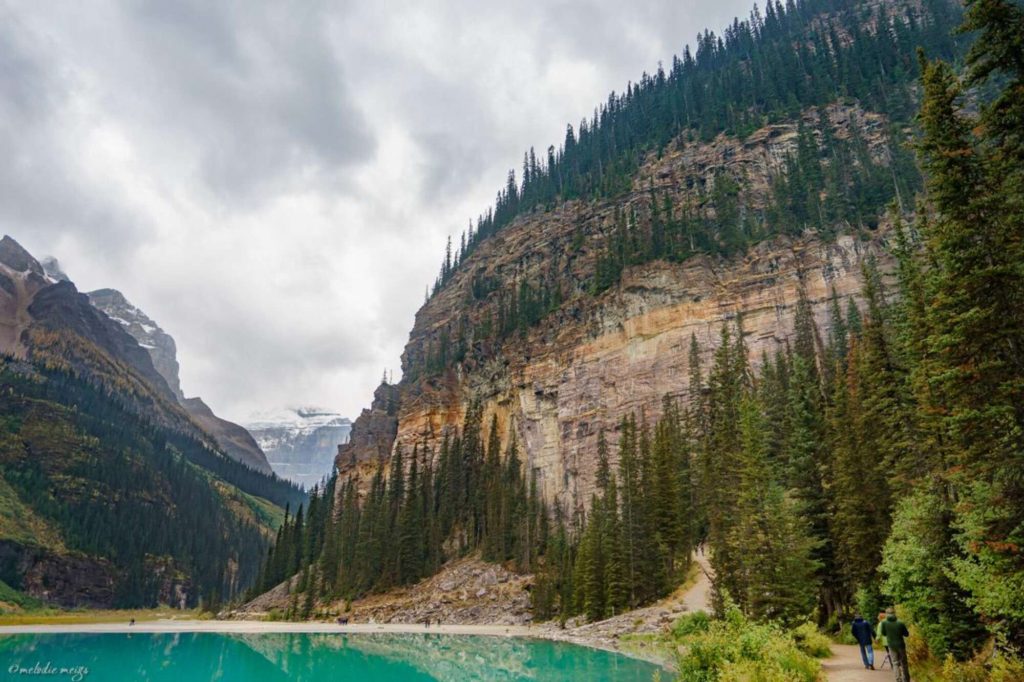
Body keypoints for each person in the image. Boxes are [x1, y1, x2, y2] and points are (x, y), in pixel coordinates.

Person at [879, 608, 911, 682]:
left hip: (891, 645)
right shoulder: (900, 622)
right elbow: (906, 634)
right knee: (904, 663)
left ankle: (898, 679)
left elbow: (883, 633)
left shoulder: (884, 623)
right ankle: (906, 679)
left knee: (895, 663)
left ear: (887, 614)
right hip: (901, 645)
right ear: (894, 613)